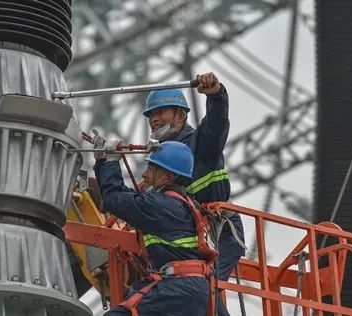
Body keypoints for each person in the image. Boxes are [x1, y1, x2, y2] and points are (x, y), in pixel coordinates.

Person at [143, 72, 246, 315]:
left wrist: (216, 96)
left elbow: (217, 125)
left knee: (198, 288)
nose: (154, 119)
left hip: (219, 234)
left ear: (181, 114)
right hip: (189, 239)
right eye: (151, 115)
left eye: (161, 112)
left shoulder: (201, 144)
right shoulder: (159, 159)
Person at [93, 139, 214, 316]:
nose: (144, 174)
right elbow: (129, 199)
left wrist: (110, 162)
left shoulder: (162, 206)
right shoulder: (178, 205)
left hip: (179, 288)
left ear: (167, 177)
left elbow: (116, 200)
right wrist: (102, 162)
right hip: (189, 288)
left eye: (151, 168)